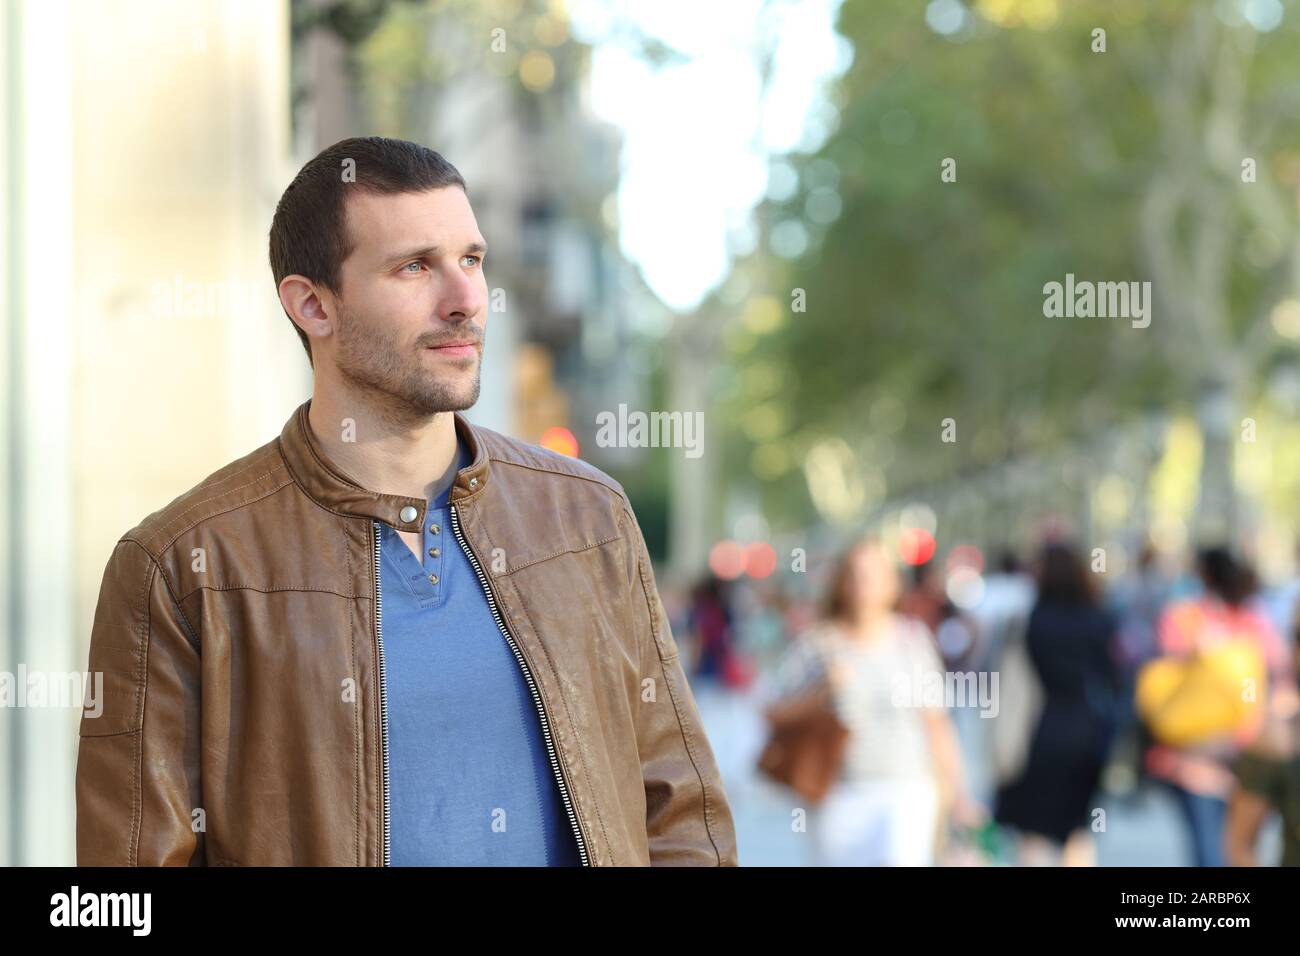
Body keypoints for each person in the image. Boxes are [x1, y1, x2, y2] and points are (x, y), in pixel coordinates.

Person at [75, 136, 738, 867]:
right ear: (312, 305)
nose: (464, 301)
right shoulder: (183, 566)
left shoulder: (587, 519)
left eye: (472, 260)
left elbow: (679, 808)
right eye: (415, 266)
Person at [766, 537, 981, 866]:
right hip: (837, 797)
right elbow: (774, 712)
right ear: (842, 583)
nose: (864, 585)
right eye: (856, 575)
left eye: (874, 575)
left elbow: (936, 721)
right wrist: (821, 694)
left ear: (891, 583)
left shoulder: (911, 640)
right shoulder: (819, 644)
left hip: (905, 792)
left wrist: (959, 794)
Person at [1144, 547, 1290, 867]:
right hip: (1239, 756)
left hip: (1197, 759)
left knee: (1212, 852)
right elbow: (1277, 679)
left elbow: (1160, 682)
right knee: (1235, 850)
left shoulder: (1183, 618)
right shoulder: (1255, 621)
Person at [993, 542, 1122, 866]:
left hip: (1040, 730)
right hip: (1087, 733)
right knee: (1078, 829)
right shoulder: (1098, 618)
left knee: (1034, 829)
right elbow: (1115, 678)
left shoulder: (1033, 621)